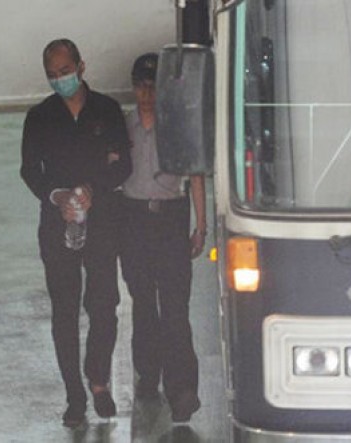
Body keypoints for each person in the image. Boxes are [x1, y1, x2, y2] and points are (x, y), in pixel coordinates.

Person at [20, 38, 132, 428]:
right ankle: (74, 396)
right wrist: (58, 197)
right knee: (64, 312)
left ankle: (98, 379)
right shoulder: (39, 117)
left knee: (104, 305)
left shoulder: (107, 110)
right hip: (58, 225)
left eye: (65, 72)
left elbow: (123, 165)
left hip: (101, 223)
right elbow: (30, 170)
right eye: (52, 75)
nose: (59, 80)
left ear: (81, 67)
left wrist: (91, 190)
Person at [120, 53, 207, 422]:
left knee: (174, 308)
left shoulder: (178, 125)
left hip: (171, 217)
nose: (147, 94)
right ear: (133, 88)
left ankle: (183, 391)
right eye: (141, 87)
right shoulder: (124, 126)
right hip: (133, 218)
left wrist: (201, 226)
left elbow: (196, 175)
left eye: (153, 87)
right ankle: (147, 372)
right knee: (142, 303)